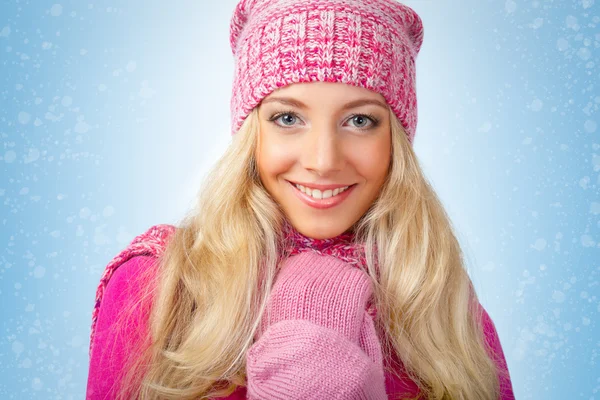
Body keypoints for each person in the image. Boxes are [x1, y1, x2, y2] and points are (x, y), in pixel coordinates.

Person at [86, 0, 516, 399]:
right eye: (288, 118)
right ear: (251, 134)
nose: (323, 160)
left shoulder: (448, 319)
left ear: (396, 141)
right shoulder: (159, 287)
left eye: (360, 120)